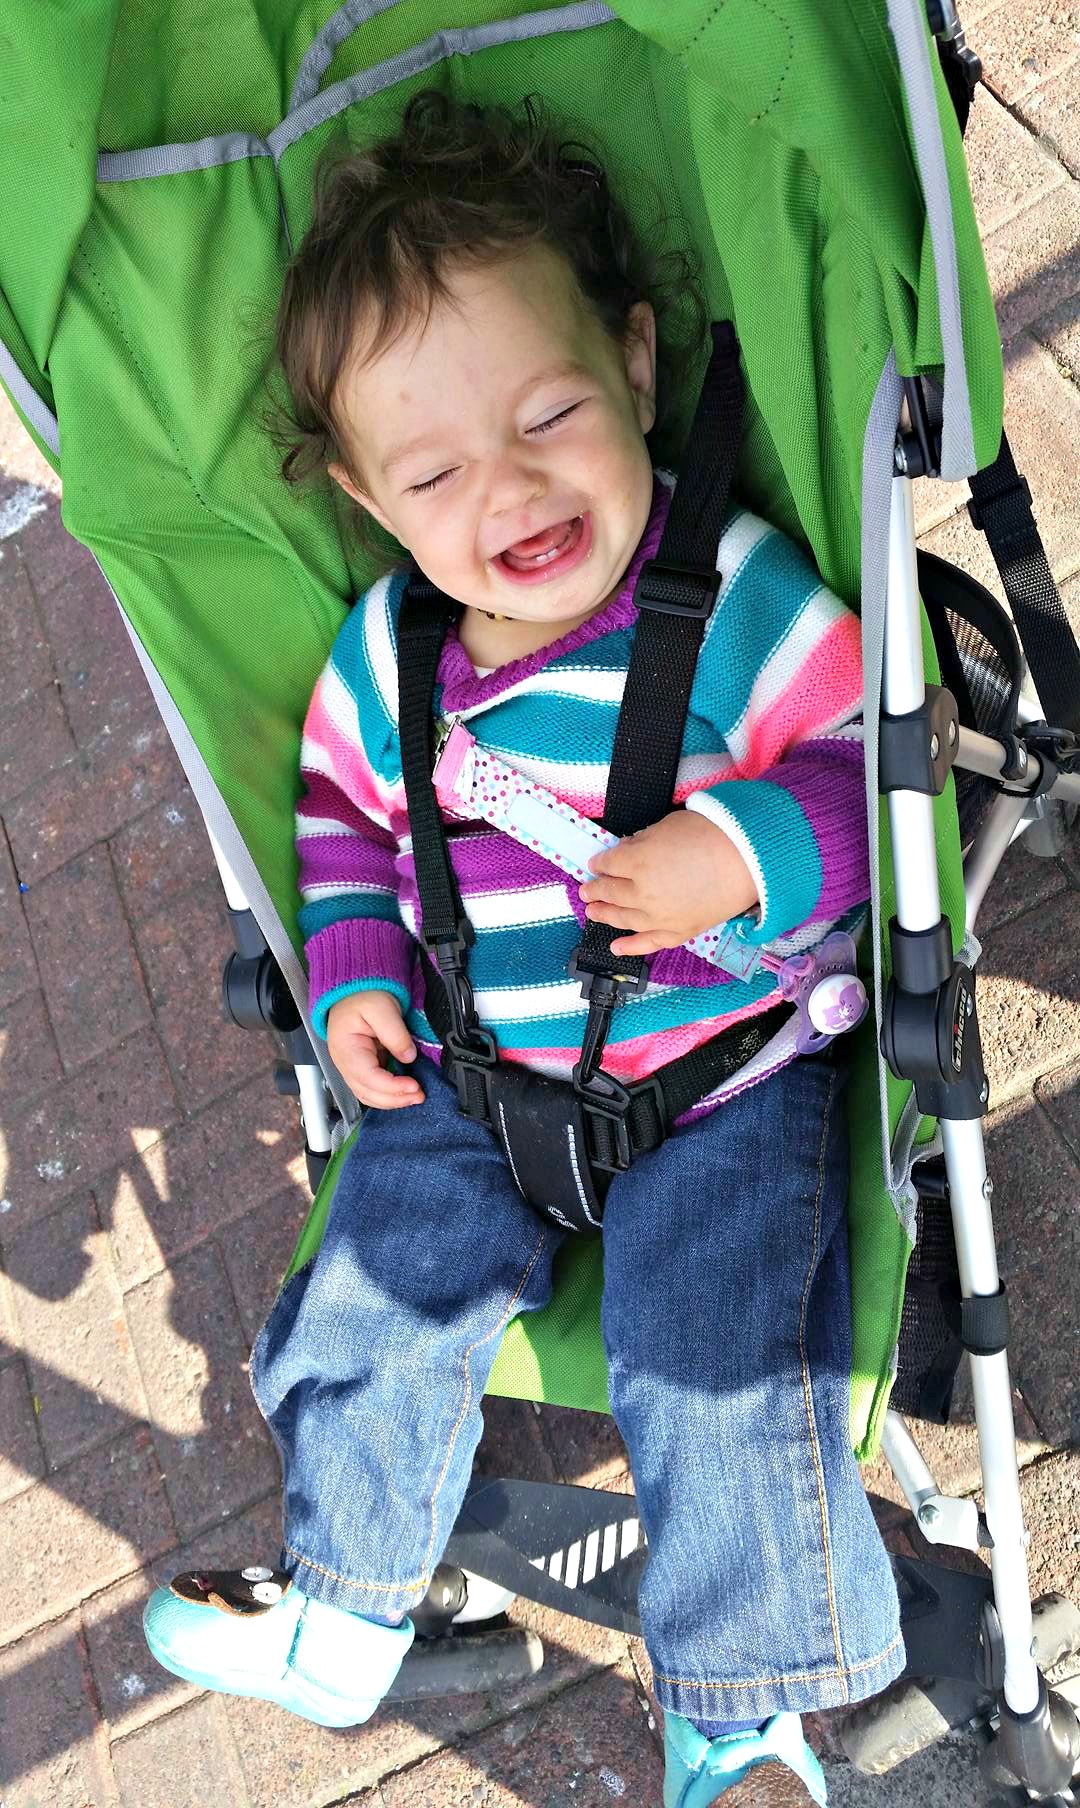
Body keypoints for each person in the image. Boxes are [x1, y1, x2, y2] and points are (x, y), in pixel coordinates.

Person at [143, 92, 904, 1806]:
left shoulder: (735, 596)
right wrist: (346, 972)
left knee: (706, 1358)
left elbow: (872, 760)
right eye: (433, 472)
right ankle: (347, 1609)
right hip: (477, 1077)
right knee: (369, 1287)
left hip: (718, 1076)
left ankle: (746, 1708)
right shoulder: (388, 652)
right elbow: (341, 821)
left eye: (551, 410)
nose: (510, 487)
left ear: (638, 365)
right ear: (366, 496)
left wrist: (745, 848)